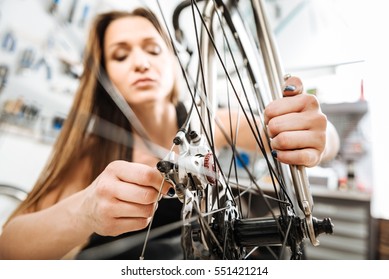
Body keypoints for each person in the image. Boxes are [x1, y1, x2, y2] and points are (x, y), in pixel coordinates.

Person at [0, 7, 339, 260]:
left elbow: (321, 140)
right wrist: (85, 211)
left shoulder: (213, 123)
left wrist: (316, 139)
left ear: (174, 63)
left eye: (152, 49)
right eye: (121, 55)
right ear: (105, 75)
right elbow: (9, 249)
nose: (140, 62)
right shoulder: (96, 152)